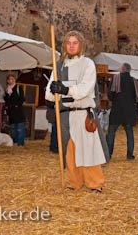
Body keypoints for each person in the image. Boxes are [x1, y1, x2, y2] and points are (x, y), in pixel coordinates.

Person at [45, 31, 106, 192]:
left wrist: (66, 89)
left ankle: (95, 183)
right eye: (68, 43)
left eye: (75, 42)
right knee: (69, 151)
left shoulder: (88, 64)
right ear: (65, 46)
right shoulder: (59, 66)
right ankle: (74, 182)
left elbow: (86, 88)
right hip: (66, 114)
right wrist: (53, 90)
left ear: (81, 45)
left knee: (88, 150)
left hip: (83, 113)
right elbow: (48, 95)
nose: (71, 46)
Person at [106, 63, 138, 160]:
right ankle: (130, 155)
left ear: (122, 69)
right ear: (129, 70)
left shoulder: (116, 78)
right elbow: (137, 98)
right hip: (129, 111)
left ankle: (108, 154)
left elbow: (110, 95)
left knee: (111, 133)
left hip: (117, 110)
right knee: (129, 134)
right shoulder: (134, 81)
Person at [4, 74, 26, 146]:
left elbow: (22, 98)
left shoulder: (18, 88)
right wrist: (7, 107)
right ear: (7, 81)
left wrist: (17, 105)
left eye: (13, 79)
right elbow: (6, 100)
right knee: (13, 128)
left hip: (18, 111)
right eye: (10, 79)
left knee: (20, 127)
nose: (12, 80)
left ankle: (20, 143)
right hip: (11, 111)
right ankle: (15, 141)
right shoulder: (7, 90)